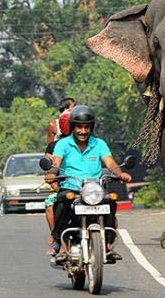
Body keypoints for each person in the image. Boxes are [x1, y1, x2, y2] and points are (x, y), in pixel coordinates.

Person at [45, 105, 132, 263]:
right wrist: (52, 173)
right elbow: (56, 163)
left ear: (91, 127)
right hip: (71, 188)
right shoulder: (63, 145)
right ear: (73, 127)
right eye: (79, 127)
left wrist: (120, 173)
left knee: (110, 202)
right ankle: (63, 246)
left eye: (86, 127)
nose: (83, 131)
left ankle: (107, 244)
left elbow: (110, 163)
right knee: (61, 203)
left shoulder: (99, 144)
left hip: (94, 191)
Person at [43, 108, 72, 255]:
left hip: (89, 190)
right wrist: (58, 188)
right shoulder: (56, 147)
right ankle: (59, 240)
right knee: (51, 204)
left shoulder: (95, 144)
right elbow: (50, 170)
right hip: (66, 190)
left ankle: (108, 240)